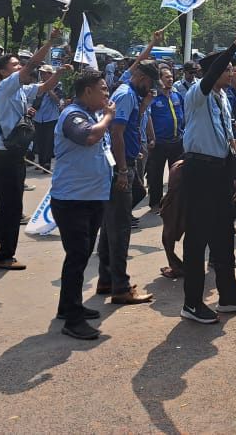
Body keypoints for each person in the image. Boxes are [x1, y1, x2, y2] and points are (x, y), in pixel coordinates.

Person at [179, 22, 236, 325]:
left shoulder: (223, 98)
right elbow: (210, 76)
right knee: (197, 237)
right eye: (227, 69)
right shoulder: (196, 95)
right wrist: (235, 44)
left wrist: (235, 173)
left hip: (220, 170)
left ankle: (229, 295)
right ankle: (191, 302)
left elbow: (225, 138)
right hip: (199, 170)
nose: (231, 74)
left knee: (225, 234)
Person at [0, 30, 64, 271]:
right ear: (3, 72)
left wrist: (60, 72)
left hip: (15, 154)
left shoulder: (21, 90)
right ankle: (4, 255)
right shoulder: (6, 86)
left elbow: (43, 88)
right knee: (12, 208)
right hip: (4, 156)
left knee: (11, 205)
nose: (20, 67)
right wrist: (51, 42)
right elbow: (33, 63)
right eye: (14, 65)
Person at [50, 70, 117, 340]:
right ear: (87, 91)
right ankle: (73, 320)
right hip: (72, 200)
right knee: (77, 258)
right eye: (102, 89)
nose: (106, 93)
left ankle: (68, 307)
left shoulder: (93, 114)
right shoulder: (72, 115)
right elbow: (88, 137)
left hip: (91, 197)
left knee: (81, 255)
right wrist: (110, 117)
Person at [96, 51, 160, 305]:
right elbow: (117, 134)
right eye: (150, 83)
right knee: (120, 228)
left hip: (128, 161)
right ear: (142, 77)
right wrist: (122, 169)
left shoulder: (131, 94)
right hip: (120, 167)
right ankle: (120, 287)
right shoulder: (125, 95)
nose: (151, 88)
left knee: (111, 225)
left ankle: (107, 279)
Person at [146, 63, 185, 212]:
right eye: (166, 77)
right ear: (159, 79)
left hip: (177, 141)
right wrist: (151, 138)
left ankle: (173, 202)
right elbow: (147, 117)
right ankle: (155, 203)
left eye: (171, 76)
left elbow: (183, 114)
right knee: (156, 175)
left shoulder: (177, 95)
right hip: (159, 143)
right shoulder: (153, 97)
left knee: (176, 175)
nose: (170, 79)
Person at [32, 65, 64, 171]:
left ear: (51, 75)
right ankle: (41, 162)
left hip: (51, 117)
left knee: (48, 141)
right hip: (38, 117)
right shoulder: (37, 85)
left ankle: (47, 162)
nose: (42, 75)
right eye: (41, 73)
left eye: (44, 73)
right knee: (39, 140)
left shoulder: (58, 85)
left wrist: (48, 89)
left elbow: (57, 100)